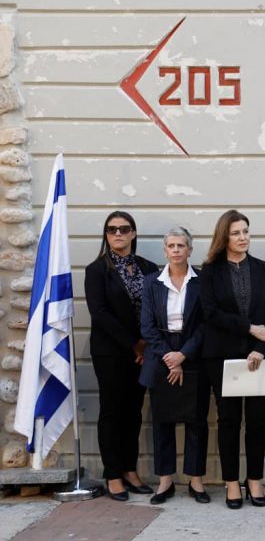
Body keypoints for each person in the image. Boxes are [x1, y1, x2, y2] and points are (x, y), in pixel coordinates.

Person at [199, 209, 265, 509]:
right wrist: (250, 328)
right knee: (229, 421)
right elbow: (210, 314)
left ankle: (255, 480)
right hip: (223, 356)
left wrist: (261, 346)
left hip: (261, 356)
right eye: (236, 233)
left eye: (246, 231)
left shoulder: (263, 268)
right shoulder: (210, 271)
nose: (243, 237)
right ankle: (232, 482)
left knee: (258, 421)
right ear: (224, 236)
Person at [84, 210, 158, 500]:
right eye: (112, 229)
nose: (118, 234)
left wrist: (146, 343)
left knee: (134, 412)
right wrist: (133, 344)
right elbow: (100, 313)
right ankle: (112, 474)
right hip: (111, 352)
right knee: (112, 412)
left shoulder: (149, 267)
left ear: (133, 234)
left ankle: (130, 469)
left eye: (124, 229)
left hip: (142, 352)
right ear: (106, 235)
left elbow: (157, 306)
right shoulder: (97, 269)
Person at [139, 226, 210, 504]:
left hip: (194, 354)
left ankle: (196, 480)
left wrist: (183, 355)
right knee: (162, 421)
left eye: (182, 246)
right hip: (161, 356)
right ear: (165, 250)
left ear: (190, 250)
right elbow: (147, 326)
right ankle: (165, 481)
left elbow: (206, 324)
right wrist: (170, 357)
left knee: (197, 421)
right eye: (172, 246)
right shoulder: (151, 282)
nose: (177, 250)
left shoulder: (202, 282)